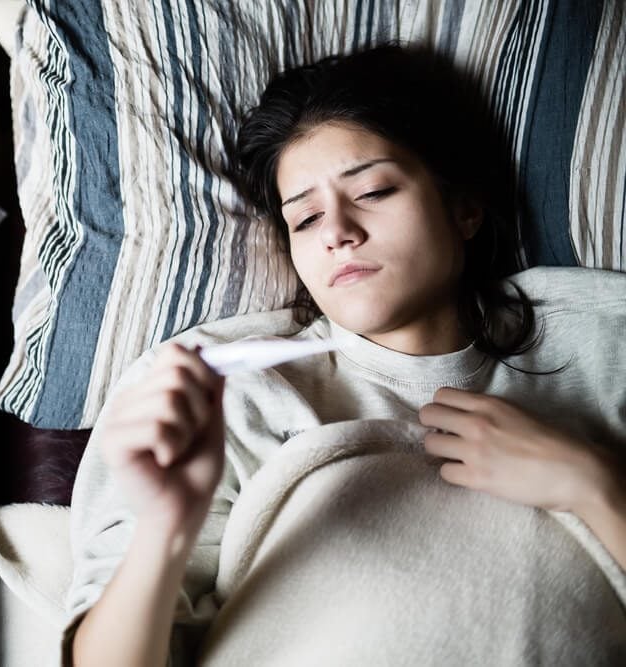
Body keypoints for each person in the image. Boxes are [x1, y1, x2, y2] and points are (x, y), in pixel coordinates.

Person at [65, 43, 626, 665]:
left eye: (374, 191)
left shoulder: (601, 340)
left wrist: (594, 486)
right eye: (304, 220)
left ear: (464, 207)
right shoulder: (213, 392)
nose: (336, 231)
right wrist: (165, 528)